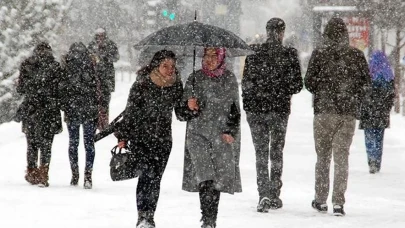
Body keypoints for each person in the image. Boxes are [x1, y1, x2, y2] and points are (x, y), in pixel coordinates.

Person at [304, 17, 371, 216]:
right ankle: (339, 202)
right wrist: (352, 94)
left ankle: (320, 199)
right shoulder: (356, 55)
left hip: (324, 112)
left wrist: (323, 88)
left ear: (327, 34)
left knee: (323, 157)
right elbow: (366, 84)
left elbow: (308, 82)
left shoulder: (319, 54)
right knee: (342, 158)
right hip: (347, 113)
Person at [114, 50, 184, 228]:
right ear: (156, 66)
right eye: (165, 66)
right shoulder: (142, 84)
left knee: (155, 179)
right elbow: (130, 112)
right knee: (146, 176)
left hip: (163, 140)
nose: (169, 70)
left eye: (172, 67)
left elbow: (181, 114)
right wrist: (123, 136)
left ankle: (150, 215)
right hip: (141, 138)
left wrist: (191, 106)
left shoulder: (176, 85)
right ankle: (143, 217)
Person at [242, 18, 303, 212]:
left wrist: (249, 105)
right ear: (282, 32)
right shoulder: (289, 54)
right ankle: (275, 193)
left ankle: (263, 194)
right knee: (276, 152)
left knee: (260, 152)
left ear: (266, 30)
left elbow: (246, 83)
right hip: (279, 110)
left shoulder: (254, 53)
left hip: (256, 110)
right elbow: (297, 86)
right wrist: (281, 87)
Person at [182, 47, 242, 228]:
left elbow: (234, 109)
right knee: (205, 175)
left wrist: (230, 131)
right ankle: (207, 218)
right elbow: (181, 113)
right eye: (206, 55)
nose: (209, 59)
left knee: (217, 178)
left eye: (214, 56)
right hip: (197, 134)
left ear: (222, 57)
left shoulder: (229, 79)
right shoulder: (194, 78)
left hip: (220, 134)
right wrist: (189, 105)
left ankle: (211, 217)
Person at [16, 42, 63, 187]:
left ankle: (31, 172)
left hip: (31, 109)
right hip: (49, 110)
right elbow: (59, 90)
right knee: (46, 144)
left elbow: (20, 89)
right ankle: (44, 172)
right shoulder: (55, 66)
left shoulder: (27, 65)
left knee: (31, 144)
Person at [60, 42, 99, 189]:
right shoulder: (91, 64)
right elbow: (97, 87)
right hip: (89, 109)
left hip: (72, 110)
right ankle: (88, 175)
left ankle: (74, 174)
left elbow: (62, 88)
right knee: (89, 144)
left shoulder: (67, 65)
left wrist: (65, 106)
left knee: (73, 143)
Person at [359, 50, 395, 174]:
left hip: (368, 112)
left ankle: (371, 160)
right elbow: (391, 95)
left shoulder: (369, 73)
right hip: (382, 112)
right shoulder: (388, 75)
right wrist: (386, 108)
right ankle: (377, 161)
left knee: (369, 137)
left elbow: (362, 93)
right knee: (379, 138)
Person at [88, 28, 119, 130]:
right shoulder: (92, 45)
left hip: (107, 77)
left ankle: (104, 124)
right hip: (94, 77)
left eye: (102, 35)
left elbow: (116, 57)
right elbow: (87, 57)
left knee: (105, 102)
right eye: (98, 35)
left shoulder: (110, 44)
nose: (100, 37)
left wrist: (106, 56)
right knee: (94, 101)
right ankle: (95, 123)